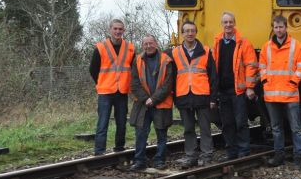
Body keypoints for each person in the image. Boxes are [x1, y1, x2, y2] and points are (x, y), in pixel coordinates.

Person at [259, 15, 301, 169]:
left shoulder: (296, 46)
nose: (279, 30)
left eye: (281, 27)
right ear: (273, 29)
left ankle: (299, 158)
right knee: (276, 128)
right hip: (272, 93)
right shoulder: (266, 47)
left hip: (290, 93)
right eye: (276, 27)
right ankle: (279, 156)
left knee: (295, 128)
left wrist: (293, 82)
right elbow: (261, 66)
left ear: (286, 28)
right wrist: (265, 81)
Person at [168, 20, 218, 167]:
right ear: (182, 34)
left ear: (196, 33)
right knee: (188, 129)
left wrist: (213, 98)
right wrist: (174, 97)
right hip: (183, 96)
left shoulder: (206, 51)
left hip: (202, 95)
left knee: (205, 128)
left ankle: (207, 155)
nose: (190, 34)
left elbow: (213, 76)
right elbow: (171, 77)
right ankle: (191, 156)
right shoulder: (175, 52)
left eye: (192, 31)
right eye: (187, 31)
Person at [213, 11, 258, 160]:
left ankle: (243, 150)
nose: (228, 25)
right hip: (223, 90)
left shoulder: (243, 43)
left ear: (234, 23)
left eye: (230, 22)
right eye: (225, 22)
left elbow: (251, 66)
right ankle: (231, 151)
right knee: (227, 123)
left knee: (240, 122)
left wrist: (250, 87)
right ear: (222, 24)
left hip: (238, 90)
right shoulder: (217, 42)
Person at [90, 18, 135, 156]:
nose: (117, 31)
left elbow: (134, 69)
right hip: (105, 91)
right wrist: (102, 82)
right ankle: (99, 152)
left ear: (124, 31)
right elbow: (93, 69)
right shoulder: (100, 47)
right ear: (110, 29)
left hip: (122, 92)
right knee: (102, 123)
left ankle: (119, 149)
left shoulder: (130, 48)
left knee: (121, 123)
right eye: (115, 29)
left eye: (120, 29)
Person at [129, 35, 174, 170]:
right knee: (141, 133)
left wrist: (153, 99)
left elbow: (168, 84)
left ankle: (160, 160)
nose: (148, 46)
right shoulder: (137, 60)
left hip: (160, 102)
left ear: (156, 43)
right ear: (142, 45)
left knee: (161, 132)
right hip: (142, 104)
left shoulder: (166, 60)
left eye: (151, 43)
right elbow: (134, 83)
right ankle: (139, 160)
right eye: (145, 44)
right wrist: (146, 99)